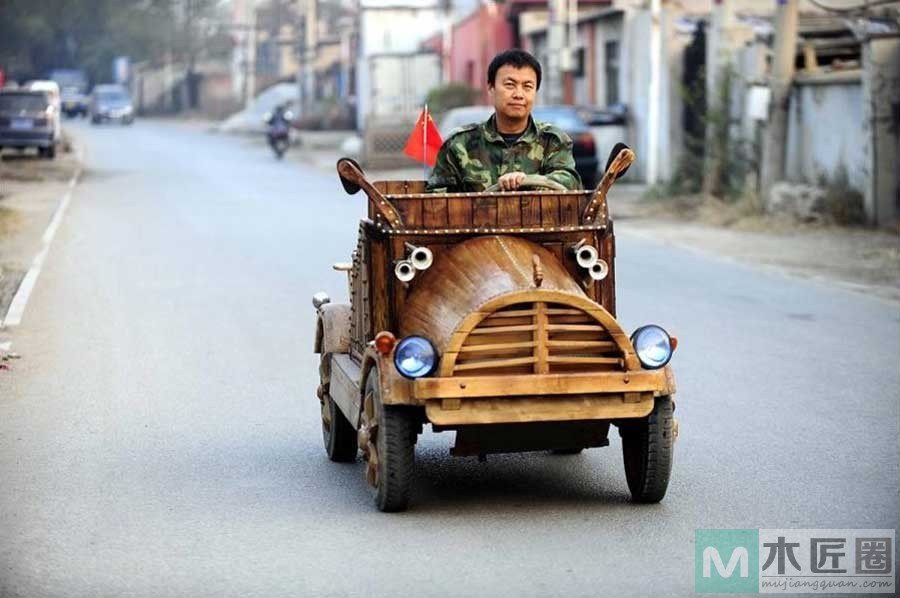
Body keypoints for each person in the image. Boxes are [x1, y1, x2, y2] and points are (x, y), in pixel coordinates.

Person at [427, 49, 582, 193]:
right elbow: (436, 199)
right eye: (510, 85)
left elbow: (570, 182)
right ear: (491, 87)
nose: (518, 94)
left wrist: (527, 180)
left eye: (527, 86)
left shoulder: (552, 140)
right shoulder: (459, 144)